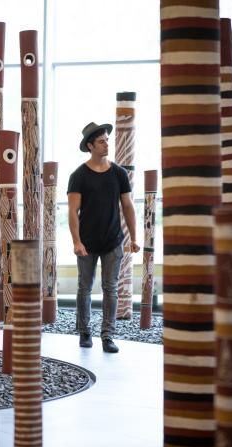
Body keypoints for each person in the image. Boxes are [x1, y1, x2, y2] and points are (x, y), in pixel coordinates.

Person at [67, 122, 139, 353]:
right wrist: (76, 242)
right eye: (101, 141)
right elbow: (72, 211)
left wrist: (134, 238)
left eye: (107, 140)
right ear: (90, 146)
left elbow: (128, 206)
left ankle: (108, 336)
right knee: (85, 288)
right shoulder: (78, 176)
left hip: (113, 241)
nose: (107, 144)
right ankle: (84, 332)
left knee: (111, 288)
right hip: (86, 243)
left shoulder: (119, 173)